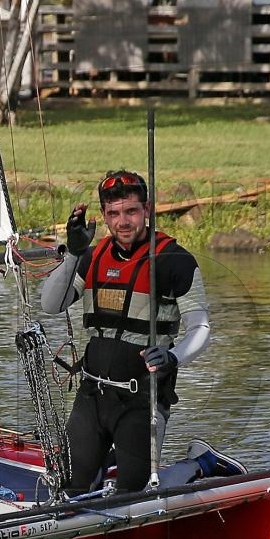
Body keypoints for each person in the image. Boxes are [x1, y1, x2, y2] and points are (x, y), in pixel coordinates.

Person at [40, 170, 210, 495]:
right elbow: (50, 304)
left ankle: (200, 463)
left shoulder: (175, 260)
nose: (123, 222)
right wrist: (73, 253)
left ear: (147, 209)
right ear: (104, 215)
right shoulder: (93, 256)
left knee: (133, 492)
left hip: (142, 398)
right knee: (70, 487)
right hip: (92, 394)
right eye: (114, 214)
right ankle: (104, 465)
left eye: (131, 211)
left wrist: (173, 357)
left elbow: (201, 329)